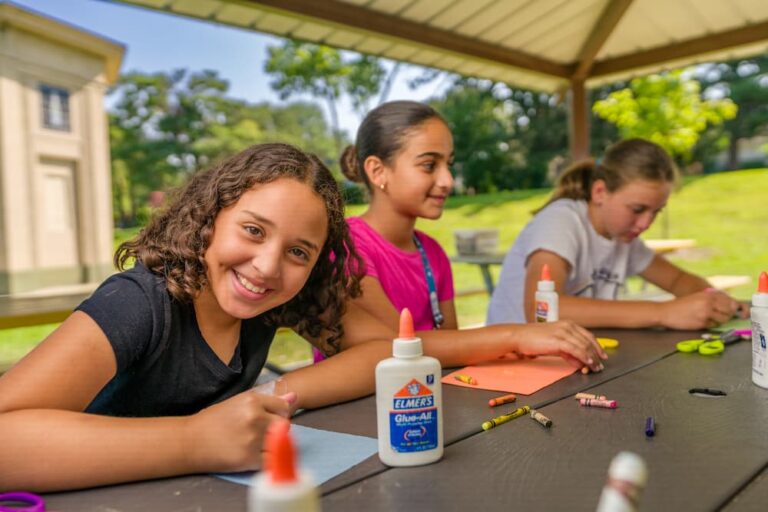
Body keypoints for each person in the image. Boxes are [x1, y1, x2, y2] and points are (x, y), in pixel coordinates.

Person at [0, 143, 391, 492]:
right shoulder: (138, 304)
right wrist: (192, 441)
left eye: (299, 253)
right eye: (254, 230)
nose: (268, 266)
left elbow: (380, 351)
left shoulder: (269, 304)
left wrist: (271, 395)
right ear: (209, 218)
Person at [337, 100, 606, 370]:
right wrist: (515, 336)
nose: (448, 181)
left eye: (449, 165)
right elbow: (396, 345)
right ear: (377, 170)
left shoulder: (432, 253)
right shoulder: (348, 246)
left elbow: (452, 350)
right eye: (429, 165)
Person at [486, 138, 748, 329]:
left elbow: (678, 280)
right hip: (513, 368)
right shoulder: (560, 221)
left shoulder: (624, 238)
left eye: (656, 211)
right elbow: (540, 309)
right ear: (600, 192)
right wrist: (663, 312)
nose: (646, 223)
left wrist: (720, 301)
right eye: (637, 209)